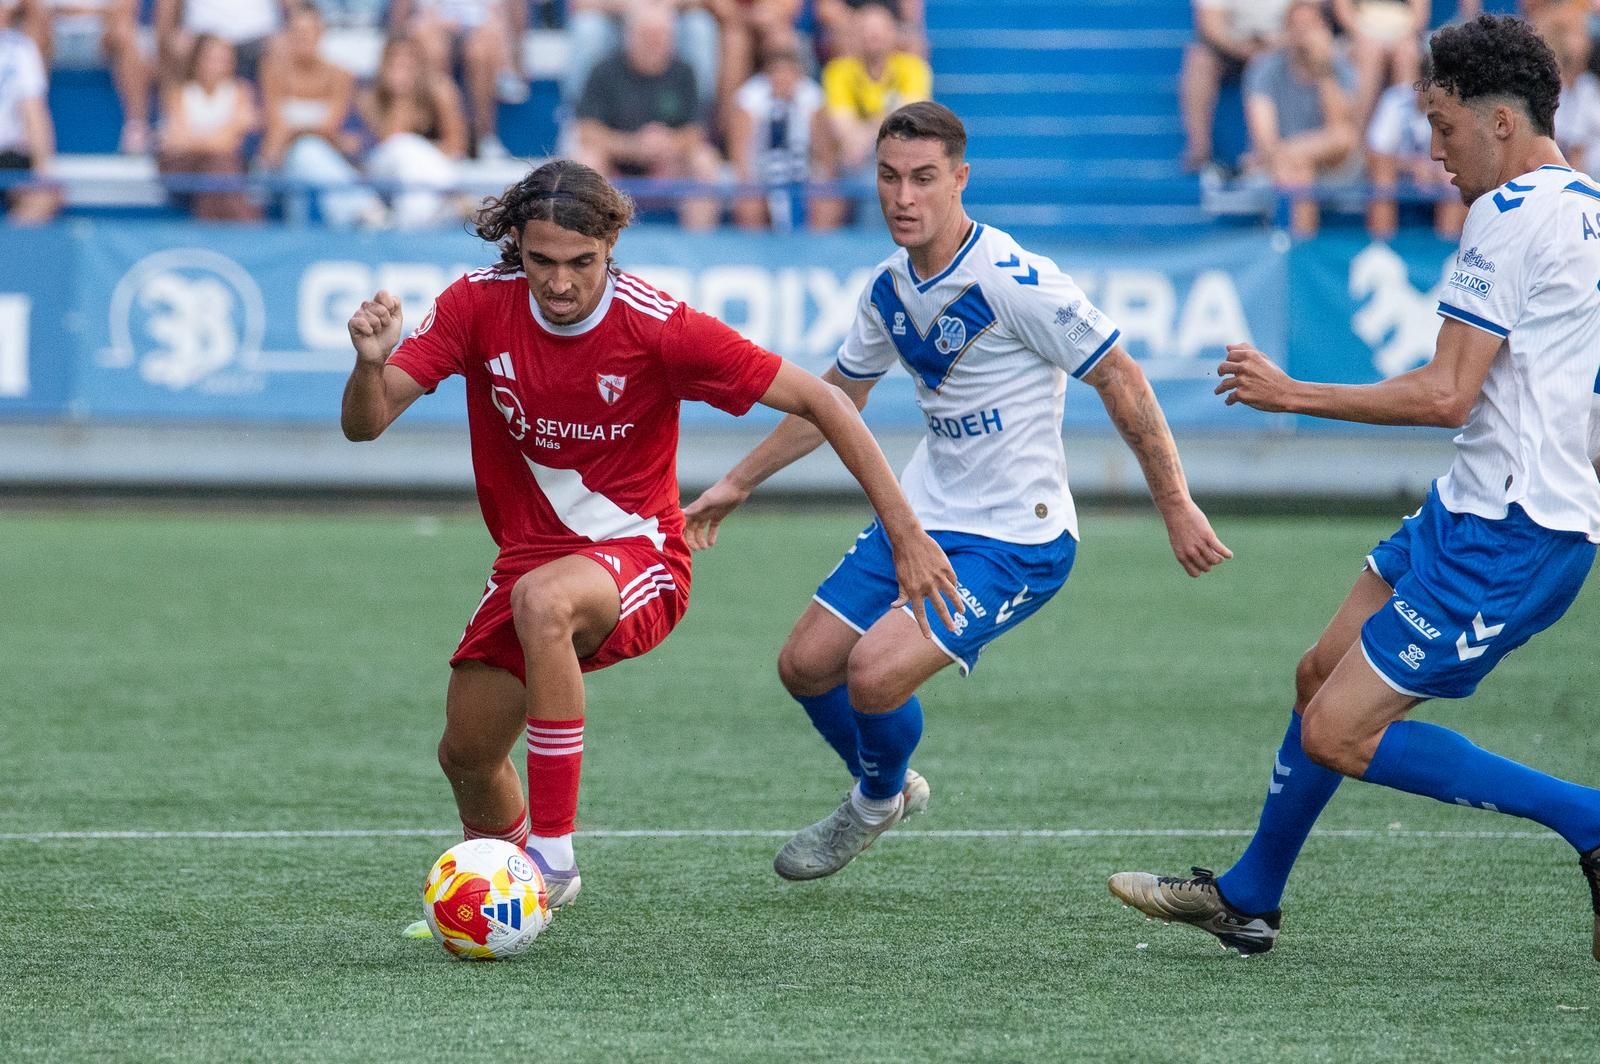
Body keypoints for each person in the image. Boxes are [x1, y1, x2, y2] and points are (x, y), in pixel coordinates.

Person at [339, 159, 960, 930]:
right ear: (515, 248)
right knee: (466, 754)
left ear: (612, 245)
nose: (560, 283)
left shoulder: (658, 326)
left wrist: (906, 531)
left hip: (641, 560)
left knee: (545, 601)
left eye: (581, 264)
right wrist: (369, 365)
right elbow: (366, 423)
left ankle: (553, 861)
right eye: (541, 262)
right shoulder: (475, 305)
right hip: (530, 565)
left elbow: (825, 400)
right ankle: (507, 902)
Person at [1109, 14, 1600, 960]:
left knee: (1337, 732)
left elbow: (1446, 391)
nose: (1432, 149)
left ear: (1501, 124)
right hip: (1471, 508)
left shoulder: (1507, 215)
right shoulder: (1587, 207)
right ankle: (1250, 896)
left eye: (1442, 125)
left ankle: (1588, 817)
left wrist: (1290, 392)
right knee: (1316, 678)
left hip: (1512, 530)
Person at [682, 101, 1232, 882]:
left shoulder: (1016, 281)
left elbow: (1121, 376)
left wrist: (1174, 504)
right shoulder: (887, 289)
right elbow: (837, 399)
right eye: (888, 177)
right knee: (806, 665)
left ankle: (872, 803)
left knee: (873, 672)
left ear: (960, 180)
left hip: (1018, 539)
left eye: (924, 178)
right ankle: (891, 785)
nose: (903, 197)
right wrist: (737, 482)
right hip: (926, 514)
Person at [573, 3, 722, 230]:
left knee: (704, 160)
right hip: (617, 163)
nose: (656, 42)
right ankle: (590, 240)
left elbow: (696, 132)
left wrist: (668, 144)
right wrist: (633, 146)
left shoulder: (684, 73)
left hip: (670, 165)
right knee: (587, 161)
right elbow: (587, 131)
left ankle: (700, 244)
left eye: (662, 35)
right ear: (629, 36)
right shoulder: (604, 71)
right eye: (647, 35)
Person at [259, 3, 386, 227]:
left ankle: (345, 220)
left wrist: (296, 131)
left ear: (320, 34)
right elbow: (276, 125)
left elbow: (328, 127)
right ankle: (364, 208)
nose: (302, 39)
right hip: (278, 164)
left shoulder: (340, 75)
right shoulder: (273, 71)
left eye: (308, 32)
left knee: (307, 153)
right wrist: (312, 133)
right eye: (297, 32)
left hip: (316, 158)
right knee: (306, 152)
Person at [1242, 0, 1360, 237]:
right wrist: (1292, 157)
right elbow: (1265, 141)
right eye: (1296, 26)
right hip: (1281, 164)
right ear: (1285, 30)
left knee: (1343, 137)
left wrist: (1322, 68)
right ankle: (1299, 253)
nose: (1302, 33)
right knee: (1299, 171)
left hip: (1332, 165)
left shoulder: (1339, 68)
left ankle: (1289, 251)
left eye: (1309, 26)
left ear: (1324, 29)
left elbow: (1339, 135)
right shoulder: (1264, 69)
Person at [727, 38, 843, 231]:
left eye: (788, 72)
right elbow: (739, 153)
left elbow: (825, 154)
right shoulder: (749, 99)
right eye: (777, 72)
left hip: (803, 173)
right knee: (748, 204)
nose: (783, 78)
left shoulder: (812, 98)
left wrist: (821, 181)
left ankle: (819, 256)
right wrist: (751, 184)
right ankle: (754, 255)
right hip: (759, 175)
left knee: (828, 202)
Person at [358, 33, 468, 228]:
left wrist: (421, 153)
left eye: (408, 60)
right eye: (395, 60)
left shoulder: (440, 89)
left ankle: (409, 221)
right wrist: (401, 97)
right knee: (404, 145)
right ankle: (453, 199)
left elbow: (457, 146)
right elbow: (388, 145)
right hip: (383, 174)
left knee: (411, 156)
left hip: (428, 173)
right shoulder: (371, 96)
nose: (402, 66)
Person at [157, 34, 261, 221]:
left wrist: (197, 139)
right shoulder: (178, 92)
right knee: (218, 166)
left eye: (223, 59)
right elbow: (175, 141)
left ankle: (209, 230)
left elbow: (232, 143)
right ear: (197, 59)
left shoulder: (241, 91)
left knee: (217, 169)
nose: (216, 65)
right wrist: (219, 138)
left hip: (224, 168)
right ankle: (250, 226)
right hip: (184, 167)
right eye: (211, 58)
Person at [1180, 0, 1292, 173]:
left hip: (1284, 46)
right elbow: (1210, 25)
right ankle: (1199, 148)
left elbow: (1309, 16)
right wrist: (1243, 49)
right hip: (1232, 46)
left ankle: (1276, 151)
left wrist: (1276, 44)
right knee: (1199, 59)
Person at [1365, 48, 1466, 238]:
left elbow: (1465, 154)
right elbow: (1375, 154)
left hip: (1439, 179)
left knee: (1454, 176)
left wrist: (1436, 170)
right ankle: (1381, 246)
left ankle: (1444, 253)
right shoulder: (1395, 101)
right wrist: (1413, 167)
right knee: (1382, 174)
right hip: (1400, 178)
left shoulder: (1457, 109)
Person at [820, 2, 929, 178]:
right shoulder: (837, 71)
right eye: (866, 29)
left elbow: (910, 119)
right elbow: (842, 126)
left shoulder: (913, 68)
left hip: (899, 152)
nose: (873, 35)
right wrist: (884, 120)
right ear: (854, 35)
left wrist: (865, 136)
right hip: (853, 157)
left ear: (894, 34)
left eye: (879, 29)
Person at [37, 0, 153, 153]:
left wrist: (81, 14)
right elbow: (35, 8)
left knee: (123, 34)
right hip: (53, 31)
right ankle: (31, 121)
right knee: (34, 33)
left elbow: (126, 9)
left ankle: (136, 125)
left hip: (105, 31)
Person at [0, 0, 59, 223]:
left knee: (45, 195)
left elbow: (35, 111)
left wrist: (43, 168)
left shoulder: (20, 49)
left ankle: (9, 251)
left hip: (11, 156)